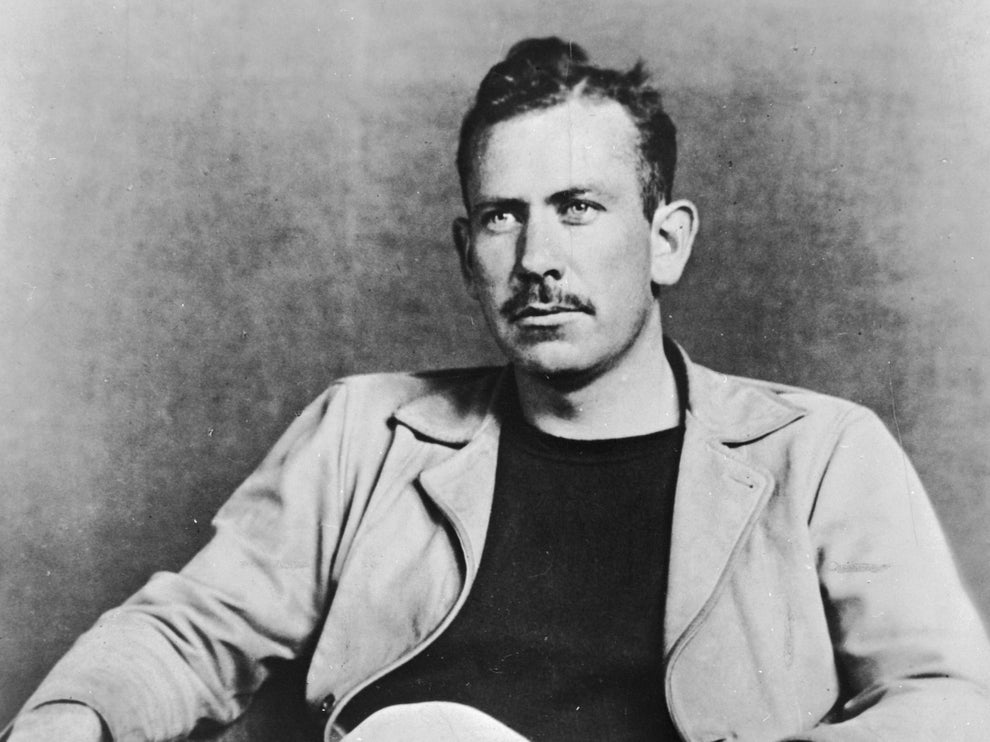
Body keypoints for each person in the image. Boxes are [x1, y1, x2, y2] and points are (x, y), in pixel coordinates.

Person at [5, 36, 990, 742]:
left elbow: (946, 702)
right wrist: (73, 716)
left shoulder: (820, 454)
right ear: (465, 253)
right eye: (501, 218)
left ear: (666, 240)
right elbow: (190, 630)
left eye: (578, 207)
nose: (537, 259)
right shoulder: (363, 431)